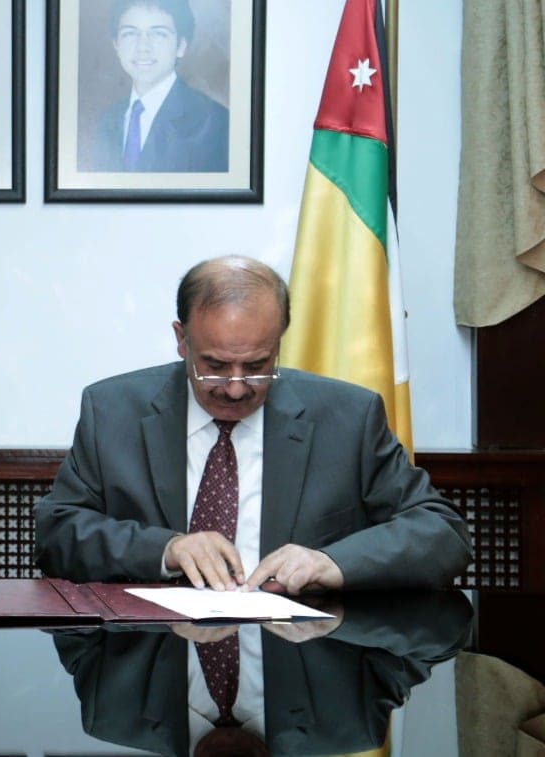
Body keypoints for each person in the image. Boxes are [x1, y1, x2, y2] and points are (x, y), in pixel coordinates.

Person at [34, 255, 472, 594]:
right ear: (182, 339)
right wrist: (165, 550)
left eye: (258, 365)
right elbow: (56, 534)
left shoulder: (347, 418)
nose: (237, 388)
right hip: (152, 654)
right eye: (216, 366)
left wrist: (333, 563)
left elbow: (442, 534)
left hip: (305, 661)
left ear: (280, 341)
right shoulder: (113, 411)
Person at [52, 590, 473, 756]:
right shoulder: (349, 723)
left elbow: (61, 607)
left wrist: (157, 613)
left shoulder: (111, 713)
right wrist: (341, 618)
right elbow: (449, 628)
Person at [84, 0, 229, 173]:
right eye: (130, 33)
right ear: (116, 45)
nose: (143, 47)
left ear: (181, 46)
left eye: (158, 34)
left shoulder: (216, 123)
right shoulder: (109, 120)